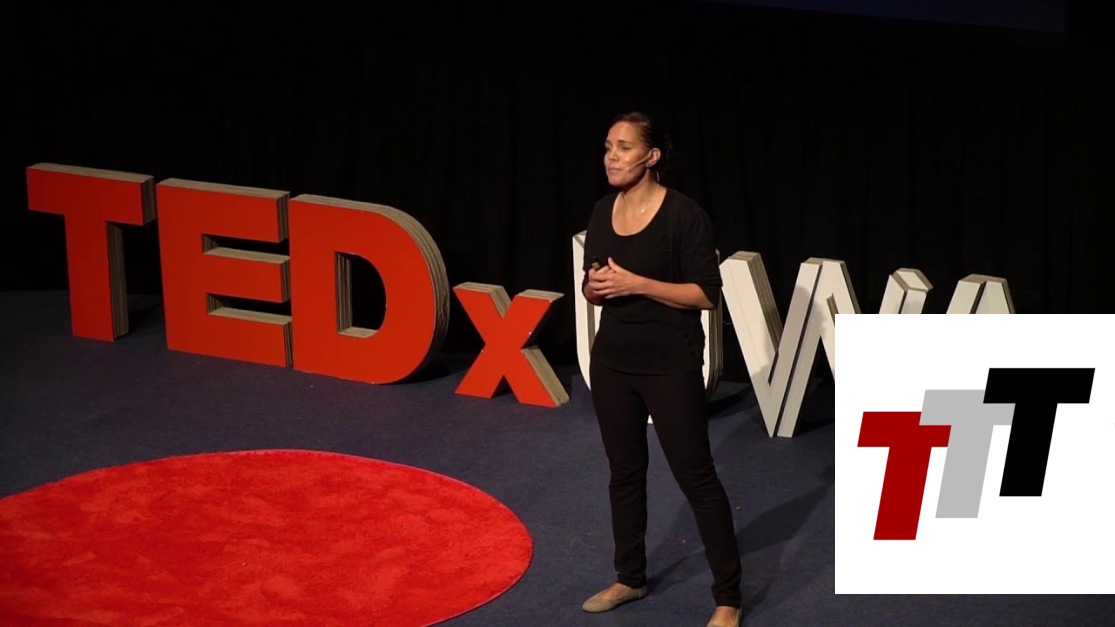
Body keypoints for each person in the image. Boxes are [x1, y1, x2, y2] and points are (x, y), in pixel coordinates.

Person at [579, 111, 743, 627]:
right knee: (624, 473)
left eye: (624, 148)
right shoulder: (602, 210)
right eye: (608, 147)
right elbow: (594, 282)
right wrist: (594, 289)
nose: (612, 157)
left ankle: (728, 599)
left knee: (697, 479)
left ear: (651, 157)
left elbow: (706, 295)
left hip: (670, 365)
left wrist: (638, 284)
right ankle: (630, 577)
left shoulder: (684, 216)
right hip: (613, 363)